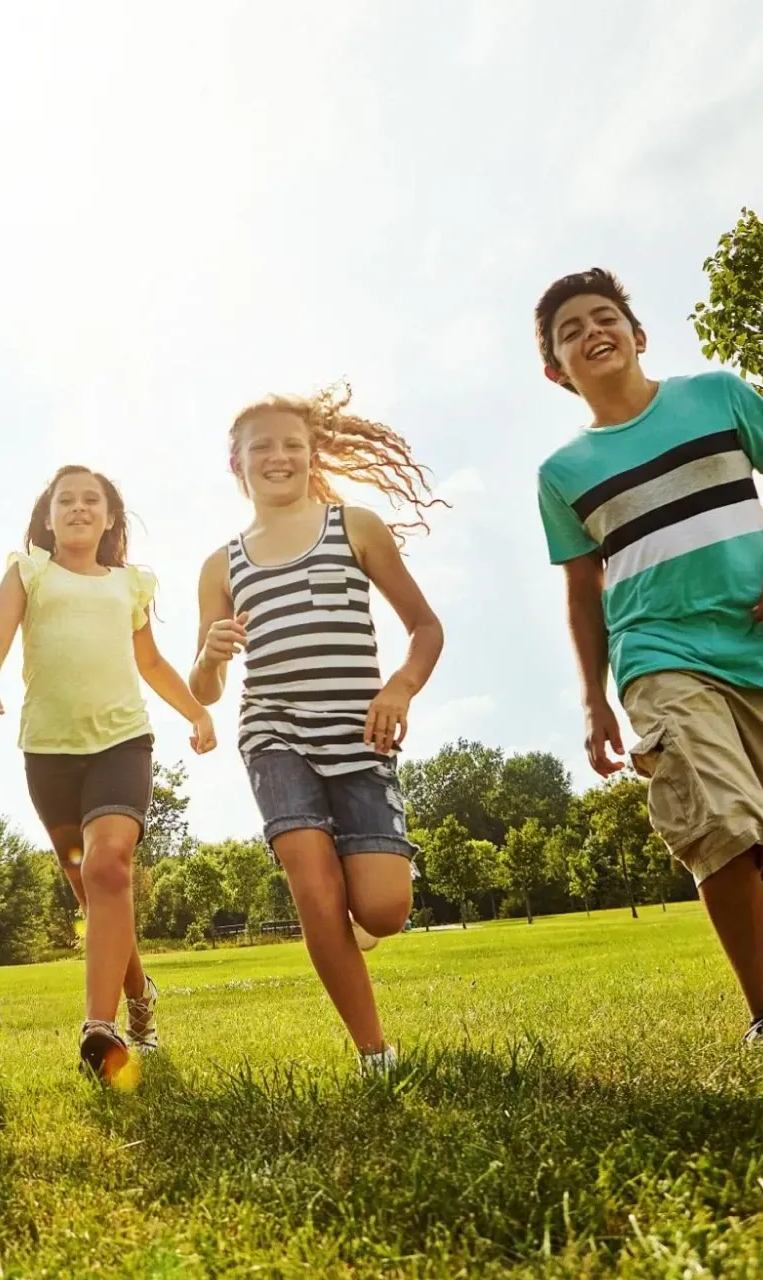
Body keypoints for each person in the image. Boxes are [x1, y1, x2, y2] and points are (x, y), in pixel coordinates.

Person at [532, 267, 763, 1044]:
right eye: (570, 331)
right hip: (657, 649)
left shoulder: (718, 395)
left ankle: (761, 830)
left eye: (604, 317)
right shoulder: (562, 473)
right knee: (712, 818)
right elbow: (583, 593)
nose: (592, 332)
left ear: (637, 334)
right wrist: (594, 702)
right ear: (556, 369)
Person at [189, 388, 444, 1076]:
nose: (278, 455)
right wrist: (209, 659)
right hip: (274, 735)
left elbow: (425, 626)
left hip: (360, 735)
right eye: (261, 446)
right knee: (314, 889)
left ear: (312, 454)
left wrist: (399, 687)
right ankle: (374, 1054)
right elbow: (203, 688)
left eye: (291, 444)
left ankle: (360, 930)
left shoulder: (352, 526)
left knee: (385, 909)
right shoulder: (223, 564)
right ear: (236, 464)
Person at [0, 466, 215, 1086]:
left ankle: (98, 1026)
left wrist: (195, 710)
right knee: (94, 894)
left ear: (110, 519)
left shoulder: (129, 584)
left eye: (91, 500)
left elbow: (150, 660)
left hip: (122, 742)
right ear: (47, 518)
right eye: (65, 500)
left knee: (109, 869)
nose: (78, 508)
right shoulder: (28, 571)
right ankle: (141, 1003)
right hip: (49, 754)